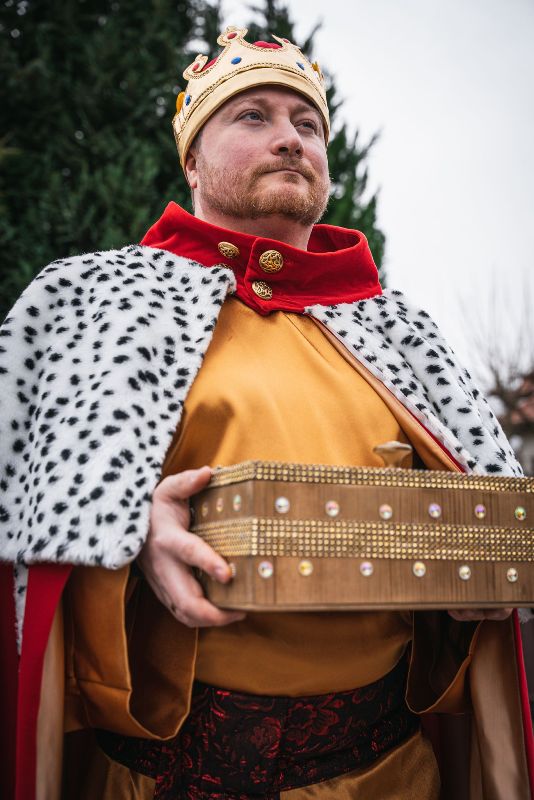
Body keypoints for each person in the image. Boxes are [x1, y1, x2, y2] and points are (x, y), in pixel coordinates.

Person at [0, 25, 533, 800]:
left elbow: (492, 525)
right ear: (192, 159)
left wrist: (479, 577)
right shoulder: (87, 300)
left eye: (307, 124)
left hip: (386, 777)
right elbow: (20, 507)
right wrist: (126, 526)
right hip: (160, 781)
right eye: (253, 116)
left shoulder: (403, 330)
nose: (290, 138)